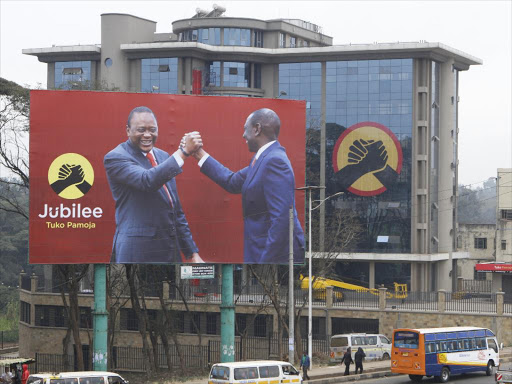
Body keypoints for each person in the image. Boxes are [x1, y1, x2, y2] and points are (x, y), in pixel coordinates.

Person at [188, 108, 305, 264]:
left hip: (271, 257)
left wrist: (264, 266)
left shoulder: (274, 161)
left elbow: (282, 220)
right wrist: (198, 153)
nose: (243, 135)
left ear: (257, 129)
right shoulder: (263, 158)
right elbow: (232, 182)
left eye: (246, 129)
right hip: (262, 252)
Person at [104, 106, 204, 263]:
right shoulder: (116, 157)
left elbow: (175, 209)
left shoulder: (163, 156)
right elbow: (147, 180)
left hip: (169, 252)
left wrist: (192, 253)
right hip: (136, 254)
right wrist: (183, 153)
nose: (147, 135)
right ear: (128, 130)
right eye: (141, 130)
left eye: (152, 129)